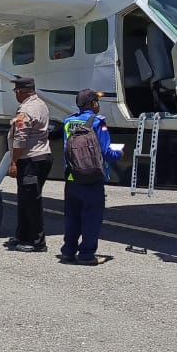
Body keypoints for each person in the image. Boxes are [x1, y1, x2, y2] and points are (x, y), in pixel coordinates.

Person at [58, 89, 122, 265]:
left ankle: (68, 252)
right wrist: (120, 152)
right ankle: (86, 254)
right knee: (91, 218)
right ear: (93, 103)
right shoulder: (98, 122)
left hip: (72, 178)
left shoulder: (68, 122)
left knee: (72, 217)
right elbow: (106, 151)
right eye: (97, 102)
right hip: (92, 178)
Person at [4, 76, 52, 253]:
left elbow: (20, 138)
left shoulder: (26, 109)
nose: (16, 94)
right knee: (25, 199)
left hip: (31, 158)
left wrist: (14, 162)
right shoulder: (40, 104)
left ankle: (37, 242)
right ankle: (23, 235)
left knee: (31, 201)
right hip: (41, 156)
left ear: (21, 91)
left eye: (16, 91)